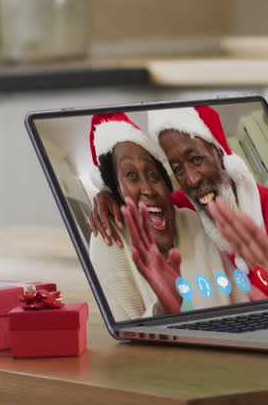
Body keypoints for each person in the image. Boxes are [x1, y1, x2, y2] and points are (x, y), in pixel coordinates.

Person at [85, 113, 246, 319]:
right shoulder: (109, 241)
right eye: (131, 176)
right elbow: (126, 340)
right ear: (116, 191)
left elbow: (241, 303)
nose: (149, 189)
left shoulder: (193, 220)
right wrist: (163, 309)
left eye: (154, 176)